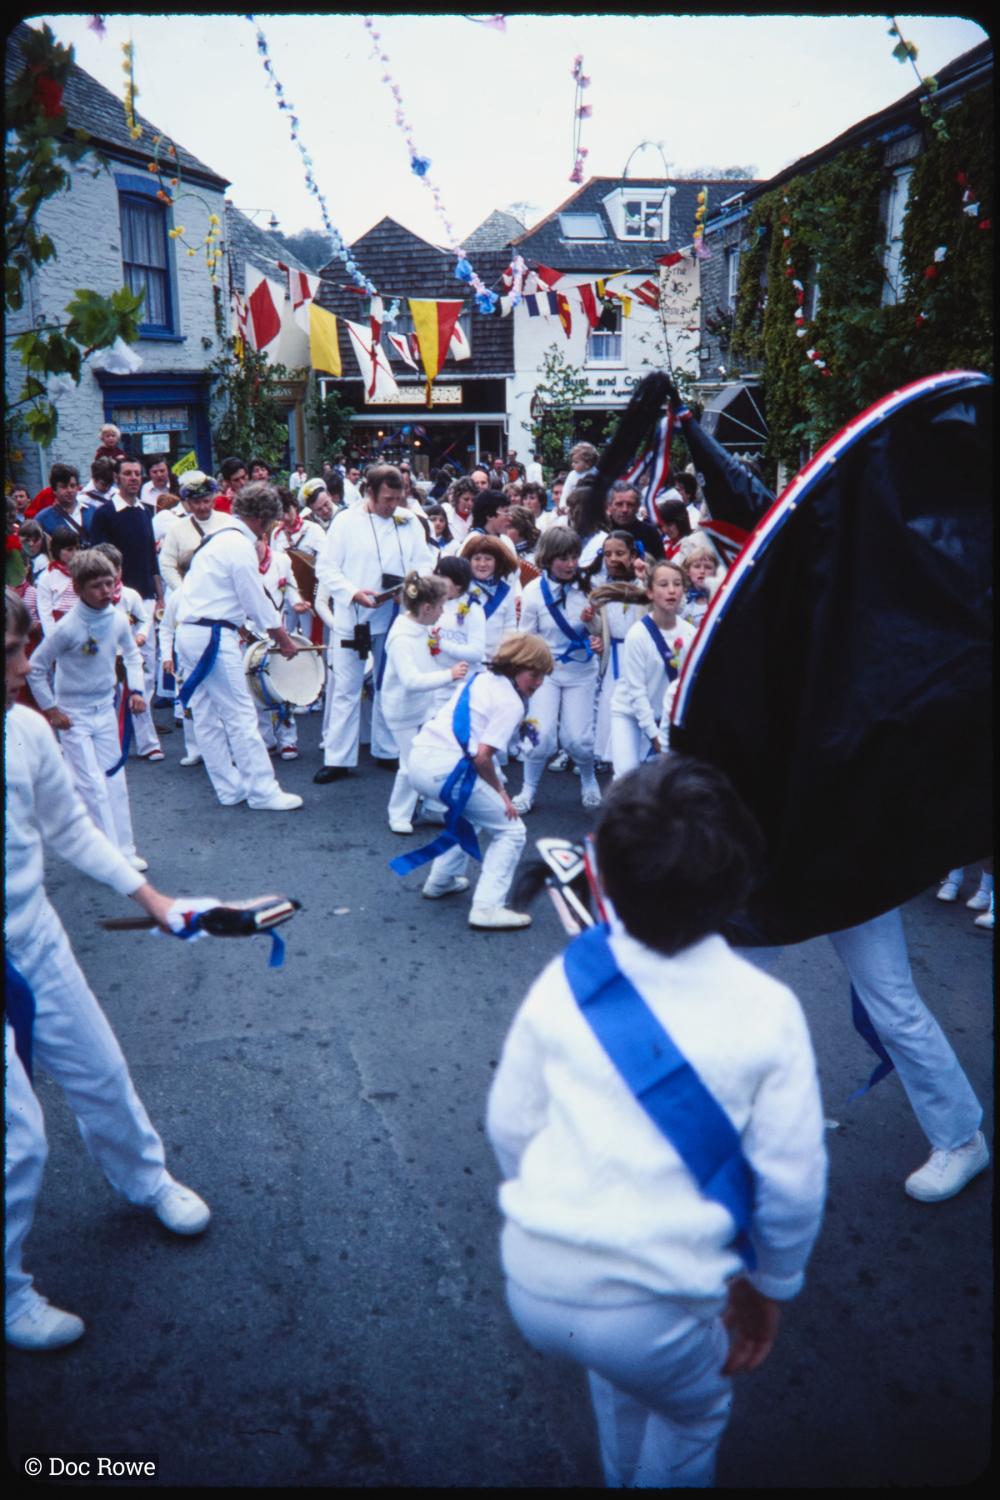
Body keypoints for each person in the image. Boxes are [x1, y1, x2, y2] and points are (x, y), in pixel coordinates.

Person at [487, 754, 827, 1488]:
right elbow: (793, 1180)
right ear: (742, 883)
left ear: (598, 881)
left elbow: (510, 1124)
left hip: (538, 1272)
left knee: (621, 1378)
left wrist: (556, 1203)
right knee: (694, 1413)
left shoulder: (568, 979)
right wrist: (772, 1286)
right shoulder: (769, 1012)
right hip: (658, 1292)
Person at [5, 587, 211, 1353]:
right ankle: (8, 1290)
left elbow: (72, 830)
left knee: (101, 1072)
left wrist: (151, 897)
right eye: (8, 654)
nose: (24, 667)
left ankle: (146, 1180)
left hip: (36, 940)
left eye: (21, 649)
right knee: (18, 1140)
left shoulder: (25, 729)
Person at [392, 632, 553, 930]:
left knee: (475, 813)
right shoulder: (512, 702)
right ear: (517, 666)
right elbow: (482, 757)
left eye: (543, 676)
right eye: (535, 674)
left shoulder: (479, 678)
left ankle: (441, 880)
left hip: (419, 762)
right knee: (512, 831)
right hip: (447, 769)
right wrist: (503, 793)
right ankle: (488, 908)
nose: (540, 682)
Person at [174, 480, 304, 812]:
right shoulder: (238, 545)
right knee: (240, 715)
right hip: (212, 635)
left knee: (205, 714)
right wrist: (285, 641)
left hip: (190, 631)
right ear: (262, 520)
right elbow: (256, 601)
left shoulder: (216, 539)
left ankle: (229, 788)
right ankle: (263, 791)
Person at [28, 548, 148, 869]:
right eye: (97, 585)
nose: (106, 591)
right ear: (78, 589)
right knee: (91, 785)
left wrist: (136, 689)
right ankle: (106, 855)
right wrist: (51, 709)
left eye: (110, 583)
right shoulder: (67, 627)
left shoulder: (119, 619)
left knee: (114, 779)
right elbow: (36, 667)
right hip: (73, 715)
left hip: (105, 708)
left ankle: (125, 849)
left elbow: (132, 655)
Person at [313, 463, 433, 783]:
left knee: (390, 685)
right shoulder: (345, 522)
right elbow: (326, 569)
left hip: (393, 614)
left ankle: (387, 749)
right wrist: (352, 593)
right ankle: (338, 758)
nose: (393, 505)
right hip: (353, 617)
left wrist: (409, 592)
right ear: (369, 492)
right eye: (386, 499)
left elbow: (424, 564)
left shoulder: (409, 521)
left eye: (398, 498)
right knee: (346, 689)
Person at [514, 527, 603, 814]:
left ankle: (589, 780)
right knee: (539, 737)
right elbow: (526, 637)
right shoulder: (532, 593)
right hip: (545, 674)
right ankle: (528, 789)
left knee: (579, 739)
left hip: (581, 670)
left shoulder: (589, 588)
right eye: (563, 558)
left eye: (574, 557)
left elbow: (603, 634)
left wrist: (593, 625)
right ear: (548, 558)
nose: (570, 564)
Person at [88, 456, 163, 762]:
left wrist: (160, 596)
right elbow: (98, 560)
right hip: (115, 601)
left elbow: (152, 559)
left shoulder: (146, 512)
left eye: (137, 474)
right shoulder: (104, 514)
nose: (133, 478)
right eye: (128, 474)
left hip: (144, 599)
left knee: (148, 671)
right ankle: (142, 741)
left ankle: (137, 730)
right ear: (117, 478)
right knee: (119, 672)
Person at [381, 571, 468, 835]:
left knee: (430, 756)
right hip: (401, 710)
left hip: (421, 706)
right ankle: (398, 814)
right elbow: (410, 680)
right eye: (441, 606)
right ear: (427, 608)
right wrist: (448, 675)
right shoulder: (402, 639)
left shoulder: (421, 628)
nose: (444, 611)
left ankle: (432, 806)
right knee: (410, 764)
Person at [610, 558, 696, 779]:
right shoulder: (637, 635)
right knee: (626, 778)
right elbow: (636, 691)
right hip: (629, 712)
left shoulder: (690, 634)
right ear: (649, 593)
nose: (671, 590)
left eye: (677, 584)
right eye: (663, 584)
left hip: (664, 714)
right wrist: (653, 734)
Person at [587, 530, 649, 767]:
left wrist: (646, 578)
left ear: (633, 555)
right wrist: (589, 620)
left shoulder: (643, 584)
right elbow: (599, 627)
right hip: (613, 654)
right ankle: (608, 752)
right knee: (609, 703)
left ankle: (639, 754)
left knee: (637, 700)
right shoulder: (601, 588)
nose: (613, 559)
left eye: (620, 553)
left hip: (635, 653)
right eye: (608, 554)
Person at [460, 534, 520, 660]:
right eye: (477, 559)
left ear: (497, 562)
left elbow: (509, 627)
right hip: (462, 658)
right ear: (468, 561)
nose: (482, 564)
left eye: (488, 559)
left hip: (492, 661)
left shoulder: (505, 591)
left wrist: (504, 657)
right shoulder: (460, 588)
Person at [35, 528, 80, 636]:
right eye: (69, 549)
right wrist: (52, 638)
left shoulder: (84, 572)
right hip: (59, 629)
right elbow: (45, 612)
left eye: (77, 548)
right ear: (58, 550)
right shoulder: (47, 576)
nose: (75, 553)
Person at [606, 481, 665, 561]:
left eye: (630, 504)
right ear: (609, 507)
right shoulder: (599, 533)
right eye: (619, 504)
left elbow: (660, 564)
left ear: (637, 507)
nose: (624, 510)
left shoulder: (650, 533)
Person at [36, 465, 86, 540]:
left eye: (72, 486)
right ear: (54, 490)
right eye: (64, 487)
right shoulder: (43, 519)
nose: (69, 490)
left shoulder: (92, 512)